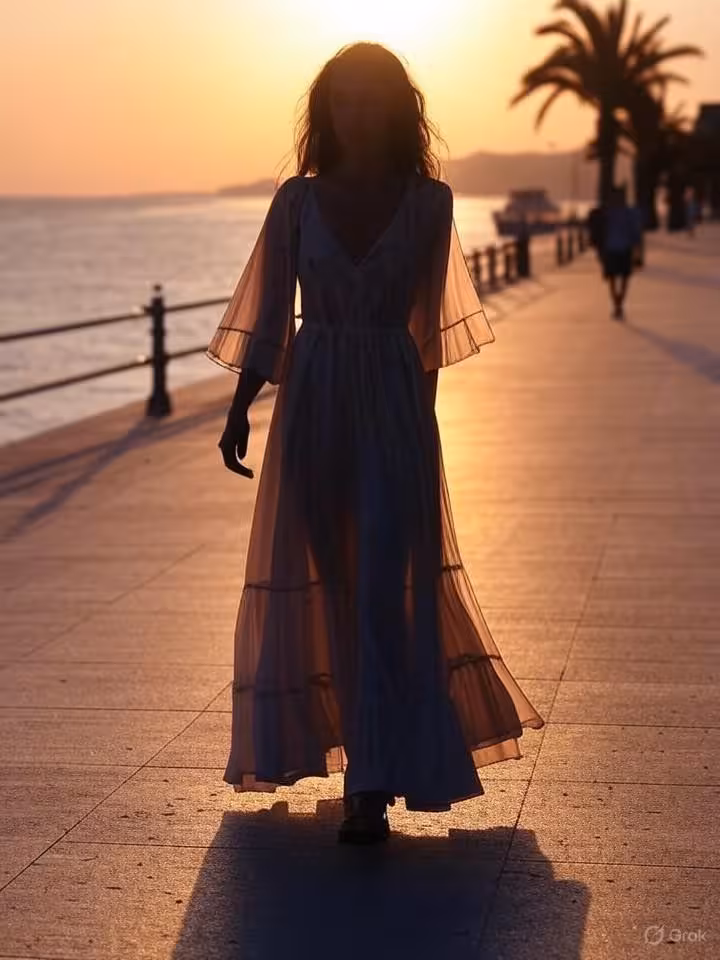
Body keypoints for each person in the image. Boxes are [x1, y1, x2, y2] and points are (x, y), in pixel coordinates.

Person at [206, 42, 545, 845]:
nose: (357, 112)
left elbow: (427, 335)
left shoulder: (432, 204)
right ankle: (364, 770)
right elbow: (268, 323)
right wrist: (239, 409)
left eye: (372, 97)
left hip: (393, 408)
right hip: (314, 403)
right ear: (327, 110)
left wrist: (417, 441)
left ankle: (378, 776)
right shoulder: (295, 203)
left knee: (387, 593)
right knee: (335, 588)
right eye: (343, 98)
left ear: (398, 107)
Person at [599, 185, 643, 320]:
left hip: (612, 249)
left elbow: (602, 232)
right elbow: (636, 233)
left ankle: (617, 304)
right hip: (624, 249)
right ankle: (619, 303)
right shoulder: (629, 213)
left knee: (613, 279)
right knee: (624, 279)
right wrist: (638, 252)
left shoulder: (608, 212)